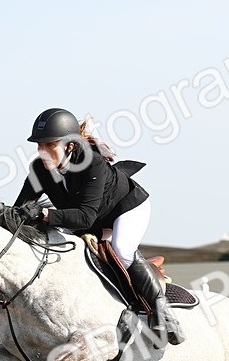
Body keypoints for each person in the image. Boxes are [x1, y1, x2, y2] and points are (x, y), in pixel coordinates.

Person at [13, 107, 184, 346]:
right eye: (39, 146)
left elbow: (85, 217)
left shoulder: (91, 163)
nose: (42, 152)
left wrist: (44, 215)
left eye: (49, 145)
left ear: (70, 146)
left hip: (125, 209)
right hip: (89, 218)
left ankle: (165, 316)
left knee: (122, 250)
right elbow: (20, 208)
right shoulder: (40, 169)